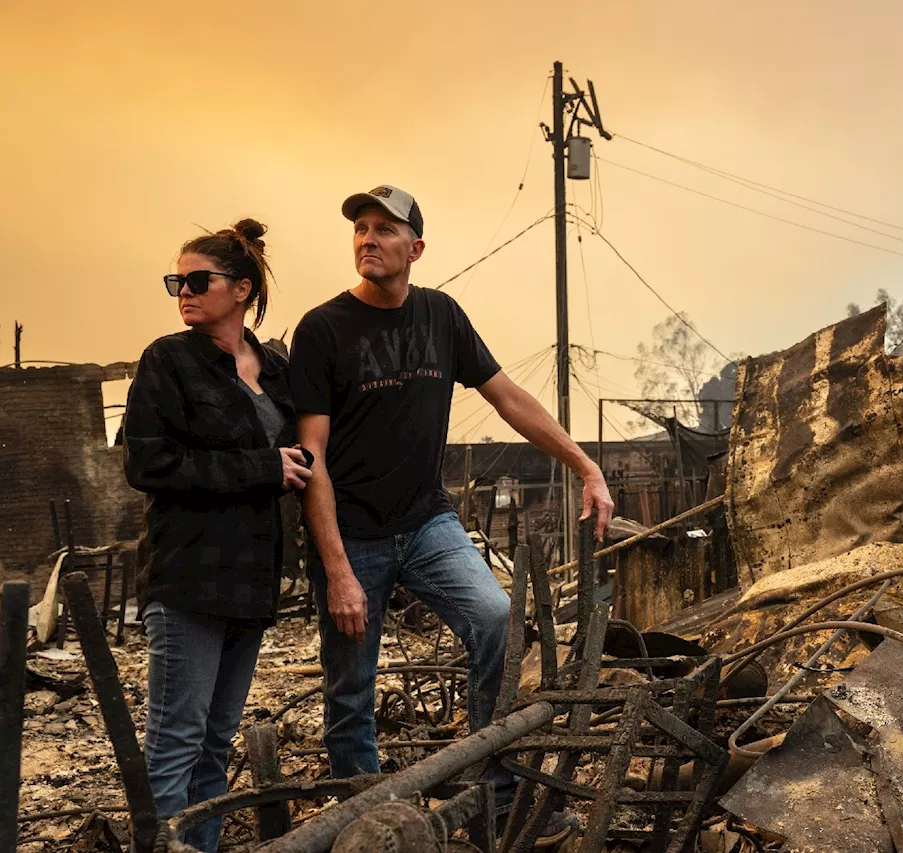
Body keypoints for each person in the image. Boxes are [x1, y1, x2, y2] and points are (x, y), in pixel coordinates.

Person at [290, 185, 614, 812]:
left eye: (384, 229)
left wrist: (585, 466)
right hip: (351, 532)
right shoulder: (323, 329)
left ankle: (488, 787)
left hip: (426, 519)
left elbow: (509, 398)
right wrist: (336, 569)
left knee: (494, 618)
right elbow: (313, 457)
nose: (368, 239)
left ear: (415, 248)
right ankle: (368, 814)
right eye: (360, 227)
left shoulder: (441, 315)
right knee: (351, 683)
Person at [123, 220, 312, 852]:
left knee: (216, 740)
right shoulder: (167, 360)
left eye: (198, 280)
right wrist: (261, 467)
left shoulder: (278, 370)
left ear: (242, 288)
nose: (184, 291)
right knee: (175, 741)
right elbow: (147, 464)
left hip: (252, 582)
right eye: (176, 281)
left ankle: (199, 847)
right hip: (188, 577)